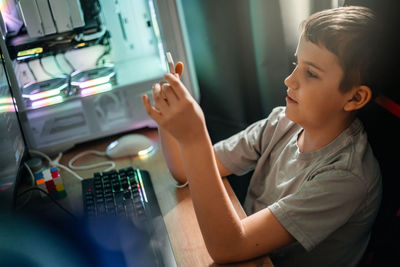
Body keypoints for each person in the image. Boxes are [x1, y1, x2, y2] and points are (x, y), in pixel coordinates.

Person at [142, 5, 382, 266]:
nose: (289, 80)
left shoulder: (346, 177)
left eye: (310, 72)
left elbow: (228, 246)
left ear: (355, 97)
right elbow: (184, 170)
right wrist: (168, 118)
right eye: (295, 64)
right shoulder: (282, 123)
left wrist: (194, 137)